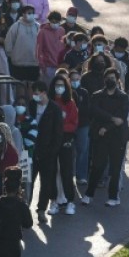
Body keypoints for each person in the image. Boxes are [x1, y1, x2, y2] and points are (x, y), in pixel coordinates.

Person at [82, 67, 129, 207]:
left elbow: (121, 118)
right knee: (97, 166)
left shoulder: (123, 97)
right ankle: (89, 194)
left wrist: (107, 126)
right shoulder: (97, 95)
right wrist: (110, 118)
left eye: (113, 78)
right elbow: (95, 111)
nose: (110, 80)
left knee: (115, 168)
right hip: (100, 135)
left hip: (117, 136)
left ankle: (113, 196)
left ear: (117, 80)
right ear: (104, 80)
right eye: (108, 78)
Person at [28, 81, 64, 223]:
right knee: (28, 181)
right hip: (32, 150)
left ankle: (41, 209)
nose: (35, 96)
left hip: (47, 152)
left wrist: (52, 152)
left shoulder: (54, 109)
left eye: (37, 93)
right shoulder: (32, 105)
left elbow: (58, 133)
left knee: (46, 182)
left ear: (44, 93)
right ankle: (26, 207)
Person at [50, 74, 79, 214]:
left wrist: (61, 127)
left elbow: (73, 124)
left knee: (66, 171)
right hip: (51, 141)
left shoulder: (70, 103)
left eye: (61, 85)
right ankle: (54, 201)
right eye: (57, 85)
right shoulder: (50, 102)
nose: (59, 88)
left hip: (66, 140)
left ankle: (70, 201)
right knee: (52, 172)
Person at [5, 4, 41, 98]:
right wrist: (12, 55)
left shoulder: (38, 27)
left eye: (31, 13)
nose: (29, 15)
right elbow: (8, 42)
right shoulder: (16, 26)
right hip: (18, 63)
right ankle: (21, 105)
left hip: (34, 63)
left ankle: (30, 106)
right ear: (23, 14)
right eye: (28, 13)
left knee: (32, 87)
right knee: (20, 86)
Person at [69, 68, 92, 184]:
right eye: (72, 80)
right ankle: (69, 174)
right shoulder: (66, 93)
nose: (75, 82)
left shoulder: (84, 92)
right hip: (69, 125)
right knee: (69, 150)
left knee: (83, 149)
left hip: (83, 124)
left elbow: (86, 109)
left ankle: (81, 175)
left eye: (77, 79)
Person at [36, 11, 67, 81]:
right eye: (53, 22)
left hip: (60, 65)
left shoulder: (62, 30)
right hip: (48, 66)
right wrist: (42, 65)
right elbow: (39, 49)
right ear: (49, 21)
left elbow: (64, 47)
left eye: (57, 22)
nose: (55, 24)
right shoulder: (42, 32)